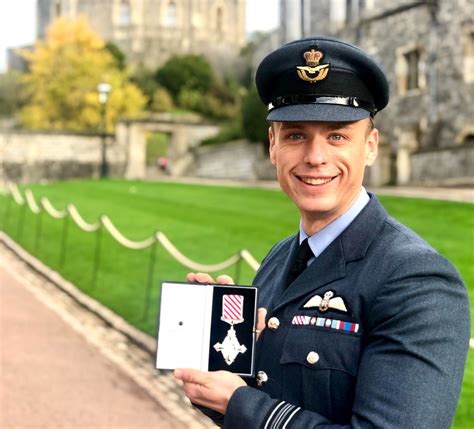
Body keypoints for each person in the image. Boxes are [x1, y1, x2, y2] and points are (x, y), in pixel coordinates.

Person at [173, 36, 470, 428]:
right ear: (273, 146)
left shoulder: (417, 281)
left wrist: (241, 404)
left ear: (370, 146)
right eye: (296, 135)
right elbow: (273, 391)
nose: (315, 157)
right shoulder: (281, 257)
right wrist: (224, 367)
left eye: (337, 135)